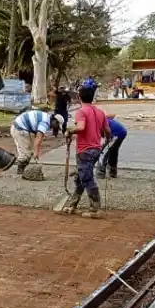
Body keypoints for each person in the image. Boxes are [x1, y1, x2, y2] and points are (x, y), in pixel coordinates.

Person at [60, 86, 111, 217]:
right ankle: (73, 204)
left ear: (79, 97)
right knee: (81, 177)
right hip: (96, 149)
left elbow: (81, 127)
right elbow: (107, 130)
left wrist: (69, 131)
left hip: (84, 150)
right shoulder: (100, 112)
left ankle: (95, 208)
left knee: (86, 178)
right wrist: (107, 139)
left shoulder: (81, 112)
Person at [10, 108, 63, 174]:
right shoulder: (45, 123)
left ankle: (23, 169)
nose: (56, 128)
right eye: (57, 126)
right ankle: (20, 171)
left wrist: (35, 151)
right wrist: (36, 152)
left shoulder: (47, 117)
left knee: (30, 152)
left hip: (24, 128)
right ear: (55, 121)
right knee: (25, 154)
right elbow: (38, 137)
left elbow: (38, 136)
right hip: (19, 129)